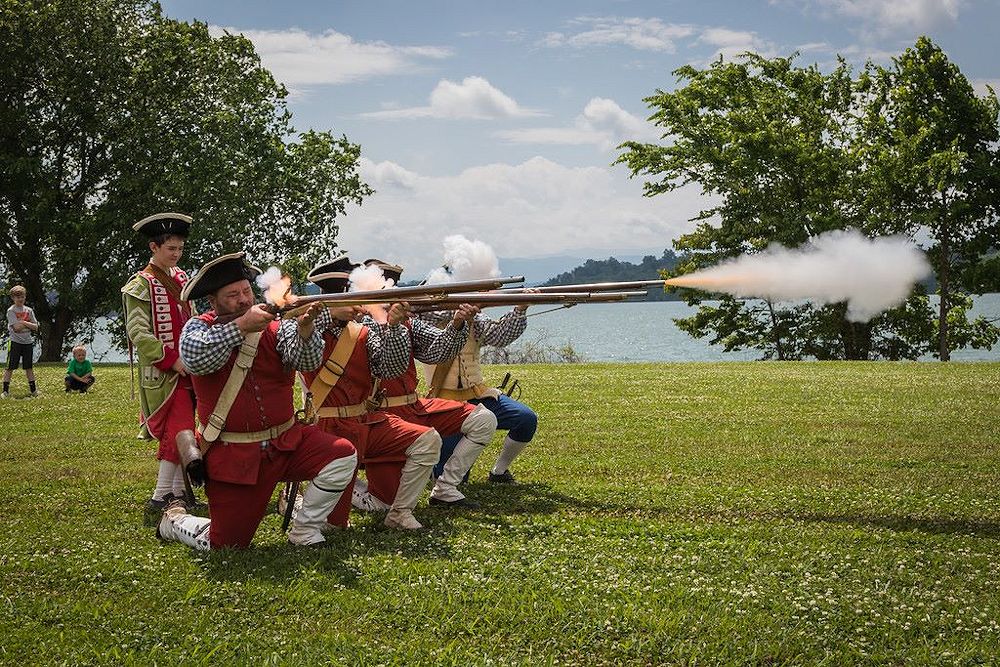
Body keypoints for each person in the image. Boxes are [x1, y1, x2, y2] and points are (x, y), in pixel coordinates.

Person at [158, 252, 357, 550]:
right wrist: (240, 327)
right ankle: (175, 522)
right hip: (234, 455)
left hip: (287, 442)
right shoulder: (198, 327)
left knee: (342, 454)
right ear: (213, 302)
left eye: (246, 292)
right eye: (233, 295)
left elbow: (307, 359)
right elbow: (196, 359)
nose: (243, 299)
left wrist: (305, 331)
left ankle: (306, 529)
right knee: (226, 544)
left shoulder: (277, 326)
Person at [296, 256, 449, 530]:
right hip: (328, 427)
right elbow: (300, 347)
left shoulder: (365, 329)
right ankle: (300, 504)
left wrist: (393, 327)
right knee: (333, 525)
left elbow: (391, 367)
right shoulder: (307, 326)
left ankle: (400, 514)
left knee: (427, 441)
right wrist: (331, 313)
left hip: (367, 421)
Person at [364, 259, 497, 509]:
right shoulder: (361, 326)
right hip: (380, 417)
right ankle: (343, 493)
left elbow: (440, 351)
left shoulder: (409, 323)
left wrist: (457, 322)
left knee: (484, 420)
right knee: (383, 503)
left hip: (414, 407)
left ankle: (445, 488)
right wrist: (392, 326)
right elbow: (385, 365)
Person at [121, 213, 199, 511]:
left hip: (189, 369)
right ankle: (161, 494)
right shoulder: (140, 285)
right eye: (171, 249)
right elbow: (138, 332)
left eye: (180, 249)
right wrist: (172, 360)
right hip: (163, 373)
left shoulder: (182, 279)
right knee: (178, 429)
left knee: (185, 430)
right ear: (154, 247)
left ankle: (178, 491)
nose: (176, 254)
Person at [422, 290, 538, 486]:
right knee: (452, 478)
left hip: (477, 394)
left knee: (525, 419)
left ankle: (499, 471)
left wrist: (520, 308)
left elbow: (500, 337)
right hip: (444, 401)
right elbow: (427, 313)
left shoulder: (476, 317)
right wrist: (457, 310)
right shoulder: (426, 314)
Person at [3, 285, 39, 398]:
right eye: (18, 297)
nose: (20, 299)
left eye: (22, 296)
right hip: (15, 342)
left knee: (29, 367)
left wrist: (23, 322)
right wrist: (28, 325)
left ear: (25, 297)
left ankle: (33, 391)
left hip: (27, 342)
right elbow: (16, 329)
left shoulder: (29, 310)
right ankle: (5, 391)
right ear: (13, 298)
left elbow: (36, 327)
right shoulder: (11, 311)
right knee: (10, 367)